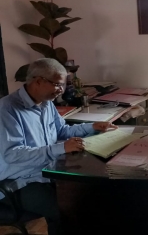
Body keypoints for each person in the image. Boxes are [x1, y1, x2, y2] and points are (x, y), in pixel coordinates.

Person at [0, 58, 118, 235]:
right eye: (58, 85)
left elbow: (62, 130)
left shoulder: (46, 103)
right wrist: (60, 148)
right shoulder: (8, 109)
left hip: (48, 171)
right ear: (38, 81)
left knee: (87, 197)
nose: (61, 90)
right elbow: (13, 154)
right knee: (68, 212)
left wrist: (92, 126)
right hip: (20, 181)